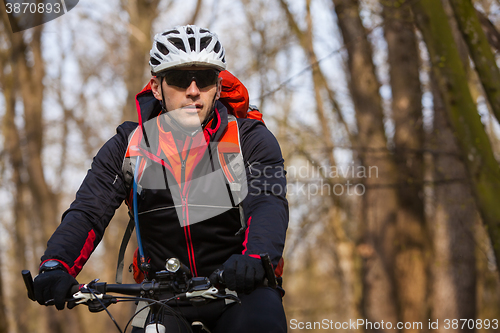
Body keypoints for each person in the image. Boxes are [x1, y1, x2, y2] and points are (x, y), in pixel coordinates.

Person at [33, 25, 288, 332]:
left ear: (218, 87)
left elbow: (268, 204)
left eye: (204, 79)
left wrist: (255, 258)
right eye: (180, 79)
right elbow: (89, 211)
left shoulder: (249, 139)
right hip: (162, 293)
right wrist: (55, 265)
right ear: (156, 87)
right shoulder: (130, 145)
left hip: (240, 288)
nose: (193, 90)